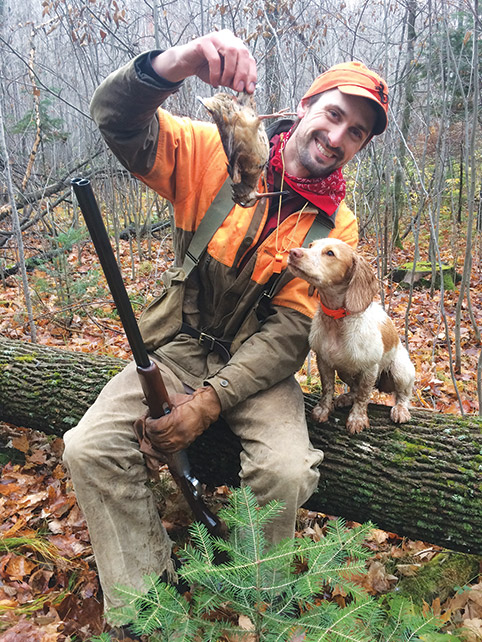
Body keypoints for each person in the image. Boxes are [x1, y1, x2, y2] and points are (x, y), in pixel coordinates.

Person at [62, 29, 388, 637]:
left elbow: (293, 331)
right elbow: (116, 121)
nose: (337, 137)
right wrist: (175, 63)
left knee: (288, 472)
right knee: (89, 448)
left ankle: (254, 594)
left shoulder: (338, 222)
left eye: (357, 133)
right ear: (306, 106)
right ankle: (148, 608)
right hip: (179, 347)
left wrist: (208, 404)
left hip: (261, 372)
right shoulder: (213, 150)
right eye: (334, 115)